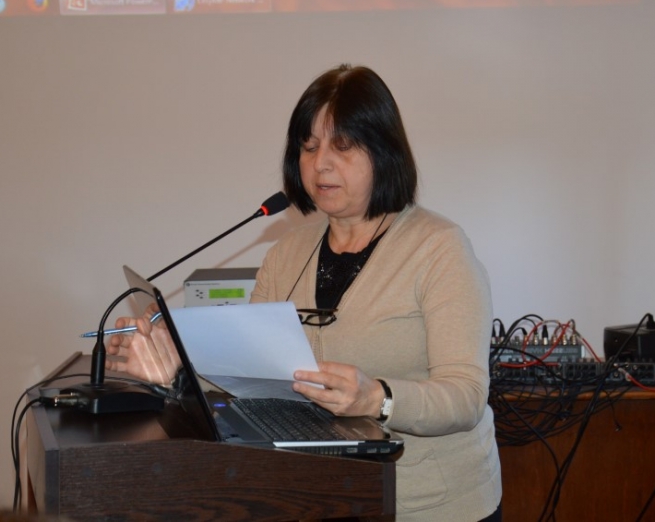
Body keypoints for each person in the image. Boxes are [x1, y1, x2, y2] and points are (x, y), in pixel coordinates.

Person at [107, 64, 502, 521]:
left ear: (383, 151)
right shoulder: (286, 253)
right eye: (309, 147)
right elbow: (251, 375)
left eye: (342, 146)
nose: (320, 164)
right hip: (320, 495)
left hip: (428, 503)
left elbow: (466, 395)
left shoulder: (440, 248)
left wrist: (379, 398)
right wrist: (174, 368)